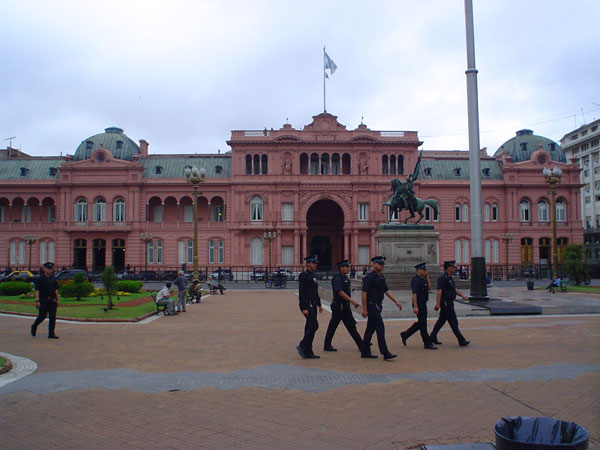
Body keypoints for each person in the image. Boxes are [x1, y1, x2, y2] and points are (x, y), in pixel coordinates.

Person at [361, 256, 402, 360]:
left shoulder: (381, 277)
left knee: (370, 329)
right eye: (379, 264)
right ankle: (385, 353)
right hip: (371, 305)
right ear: (374, 264)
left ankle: (365, 351)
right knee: (380, 328)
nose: (381, 266)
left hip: (378, 305)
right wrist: (364, 309)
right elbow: (364, 293)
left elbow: (386, 290)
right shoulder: (369, 277)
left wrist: (396, 301)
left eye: (382, 264)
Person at [323, 260, 363, 353]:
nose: (348, 269)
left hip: (345, 306)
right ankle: (327, 344)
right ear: (341, 268)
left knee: (350, 326)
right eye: (347, 267)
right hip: (338, 306)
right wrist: (352, 301)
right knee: (335, 325)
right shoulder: (337, 279)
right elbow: (340, 292)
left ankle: (361, 344)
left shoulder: (346, 278)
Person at [430, 260, 470, 347]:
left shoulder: (449, 277)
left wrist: (462, 295)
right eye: (453, 267)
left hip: (449, 302)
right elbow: (439, 291)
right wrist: (438, 303)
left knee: (441, 321)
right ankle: (461, 340)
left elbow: (453, 289)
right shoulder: (442, 278)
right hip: (446, 303)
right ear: (448, 268)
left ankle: (432, 337)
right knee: (453, 321)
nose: (455, 268)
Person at [400, 262, 437, 350]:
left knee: (421, 323)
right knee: (423, 324)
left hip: (423, 303)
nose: (425, 271)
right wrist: (415, 306)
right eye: (424, 270)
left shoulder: (422, 279)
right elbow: (414, 294)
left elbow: (429, 288)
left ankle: (405, 334)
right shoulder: (416, 280)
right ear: (419, 270)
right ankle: (427, 343)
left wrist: (427, 276)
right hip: (419, 303)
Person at [296, 256, 323, 359]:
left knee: (309, 326)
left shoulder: (313, 276)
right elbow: (301, 292)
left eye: (315, 263)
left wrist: (320, 304)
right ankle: (302, 345)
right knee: (314, 325)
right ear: (307, 264)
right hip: (307, 304)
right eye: (313, 263)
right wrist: (303, 307)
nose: (315, 264)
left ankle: (308, 351)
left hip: (314, 303)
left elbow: (315, 292)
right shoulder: (304, 276)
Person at [31, 262, 60, 339]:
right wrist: (37, 301)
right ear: (44, 269)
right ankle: (34, 326)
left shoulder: (53, 279)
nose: (50, 270)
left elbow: (55, 290)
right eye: (48, 268)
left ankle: (51, 333)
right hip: (43, 300)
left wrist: (57, 299)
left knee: (53, 317)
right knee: (42, 316)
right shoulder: (40, 279)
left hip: (52, 300)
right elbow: (37, 290)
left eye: (51, 269)